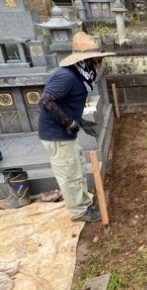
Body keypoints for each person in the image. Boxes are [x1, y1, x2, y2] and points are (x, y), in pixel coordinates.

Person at [38, 32, 114, 222]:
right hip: (56, 134)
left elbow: (67, 103)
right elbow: (46, 101)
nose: (98, 64)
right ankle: (80, 212)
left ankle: (84, 202)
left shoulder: (81, 77)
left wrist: (79, 121)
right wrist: (68, 122)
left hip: (66, 134)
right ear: (85, 61)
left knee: (78, 168)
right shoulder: (66, 77)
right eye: (96, 60)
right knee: (70, 174)